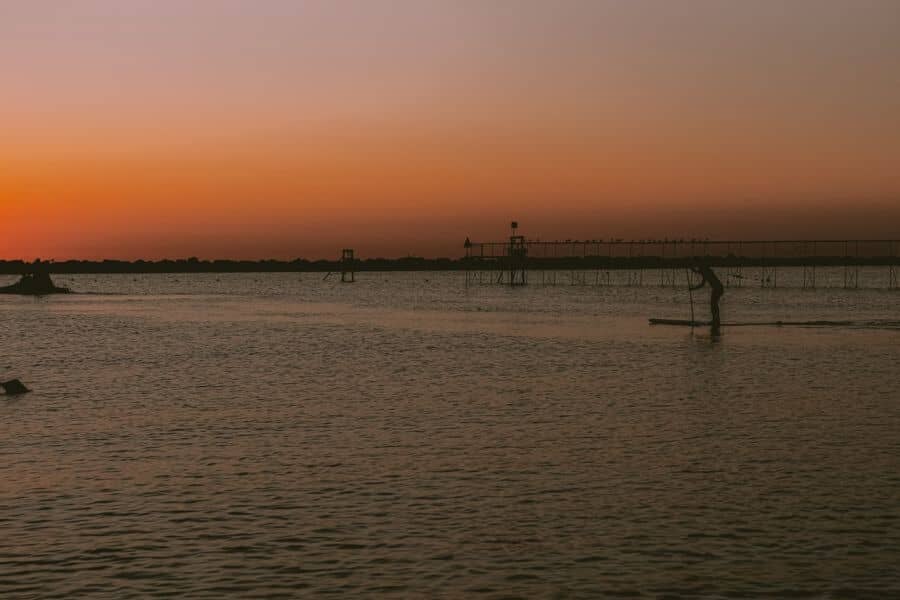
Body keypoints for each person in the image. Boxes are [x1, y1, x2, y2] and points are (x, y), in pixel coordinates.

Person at [690, 261, 724, 333]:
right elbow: (700, 274)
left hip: (718, 288)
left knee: (713, 304)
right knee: (714, 305)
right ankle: (716, 320)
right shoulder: (705, 271)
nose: (699, 268)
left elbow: (701, 276)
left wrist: (694, 270)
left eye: (699, 266)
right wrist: (694, 270)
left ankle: (716, 320)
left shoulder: (706, 271)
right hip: (717, 288)